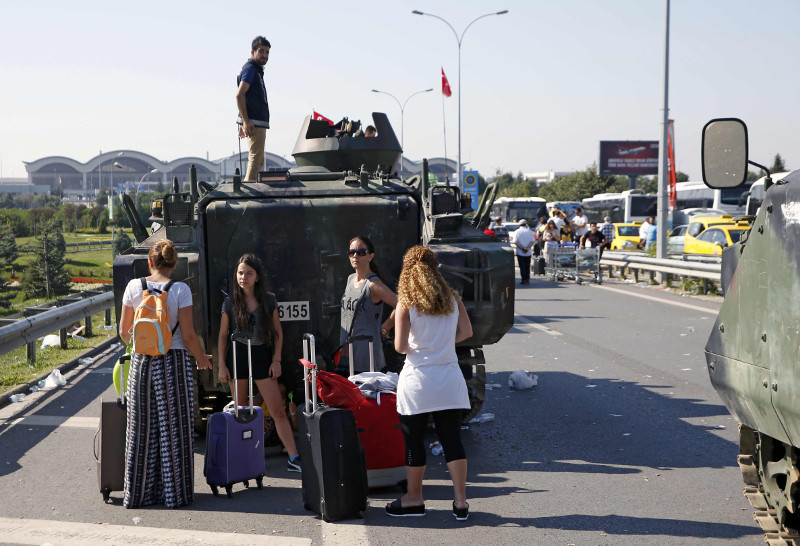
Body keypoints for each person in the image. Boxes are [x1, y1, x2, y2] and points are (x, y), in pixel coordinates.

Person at [118, 240, 213, 509]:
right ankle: (175, 495)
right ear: (174, 264)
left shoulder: (133, 287)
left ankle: (138, 494)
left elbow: (124, 332)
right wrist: (202, 359)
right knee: (175, 429)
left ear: (149, 261)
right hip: (174, 362)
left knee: (140, 428)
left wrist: (141, 346)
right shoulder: (181, 289)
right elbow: (189, 335)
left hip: (142, 361)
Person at [387, 245, 473, 520]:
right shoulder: (452, 298)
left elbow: (400, 347)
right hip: (449, 378)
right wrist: (443, 344)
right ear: (436, 269)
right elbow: (467, 332)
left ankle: (414, 499)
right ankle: (460, 502)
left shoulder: (406, 302)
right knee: (452, 440)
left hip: (418, 381)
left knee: (414, 442)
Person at [217, 253, 301, 472]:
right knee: (241, 410)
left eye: (249, 273)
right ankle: (244, 458)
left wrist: (277, 360)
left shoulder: (268, 300)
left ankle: (294, 458)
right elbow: (223, 335)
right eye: (240, 273)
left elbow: (277, 333)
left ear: (257, 277)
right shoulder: (230, 302)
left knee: (277, 411)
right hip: (237, 356)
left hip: (262, 356)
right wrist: (222, 365)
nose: (243, 277)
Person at [339, 236, 397, 373]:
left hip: (367, 357)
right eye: (351, 252)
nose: (355, 256)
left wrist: (385, 327)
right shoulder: (350, 279)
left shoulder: (373, 284)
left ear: (370, 256)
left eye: (361, 252)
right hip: (347, 355)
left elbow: (403, 305)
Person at [236, 36, 271, 182]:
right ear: (253, 52)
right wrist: (245, 121)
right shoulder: (250, 69)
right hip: (254, 122)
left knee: (259, 160)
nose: (265, 55)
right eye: (261, 51)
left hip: (255, 121)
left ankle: (249, 187)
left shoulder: (255, 70)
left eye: (267, 52)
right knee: (255, 159)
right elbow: (240, 95)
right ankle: (248, 192)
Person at [511, 219, 534, 284]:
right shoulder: (530, 231)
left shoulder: (517, 231)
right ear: (526, 224)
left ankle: (523, 278)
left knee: (522, 266)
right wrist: (527, 248)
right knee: (527, 265)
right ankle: (527, 278)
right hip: (528, 252)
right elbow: (532, 241)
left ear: (519, 224)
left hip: (520, 251)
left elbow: (515, 241)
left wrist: (522, 248)